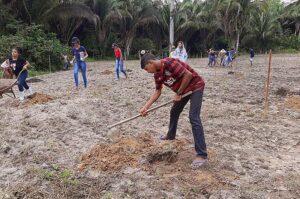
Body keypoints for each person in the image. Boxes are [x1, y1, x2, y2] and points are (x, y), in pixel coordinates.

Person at [139, 53, 208, 169]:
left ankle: (202, 155)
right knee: (174, 111)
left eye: (146, 68)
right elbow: (157, 91)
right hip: (183, 91)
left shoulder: (169, 63)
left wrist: (178, 93)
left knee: (193, 117)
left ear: (150, 62)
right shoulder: (157, 75)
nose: (147, 71)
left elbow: (188, 75)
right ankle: (170, 135)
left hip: (195, 86)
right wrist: (146, 107)